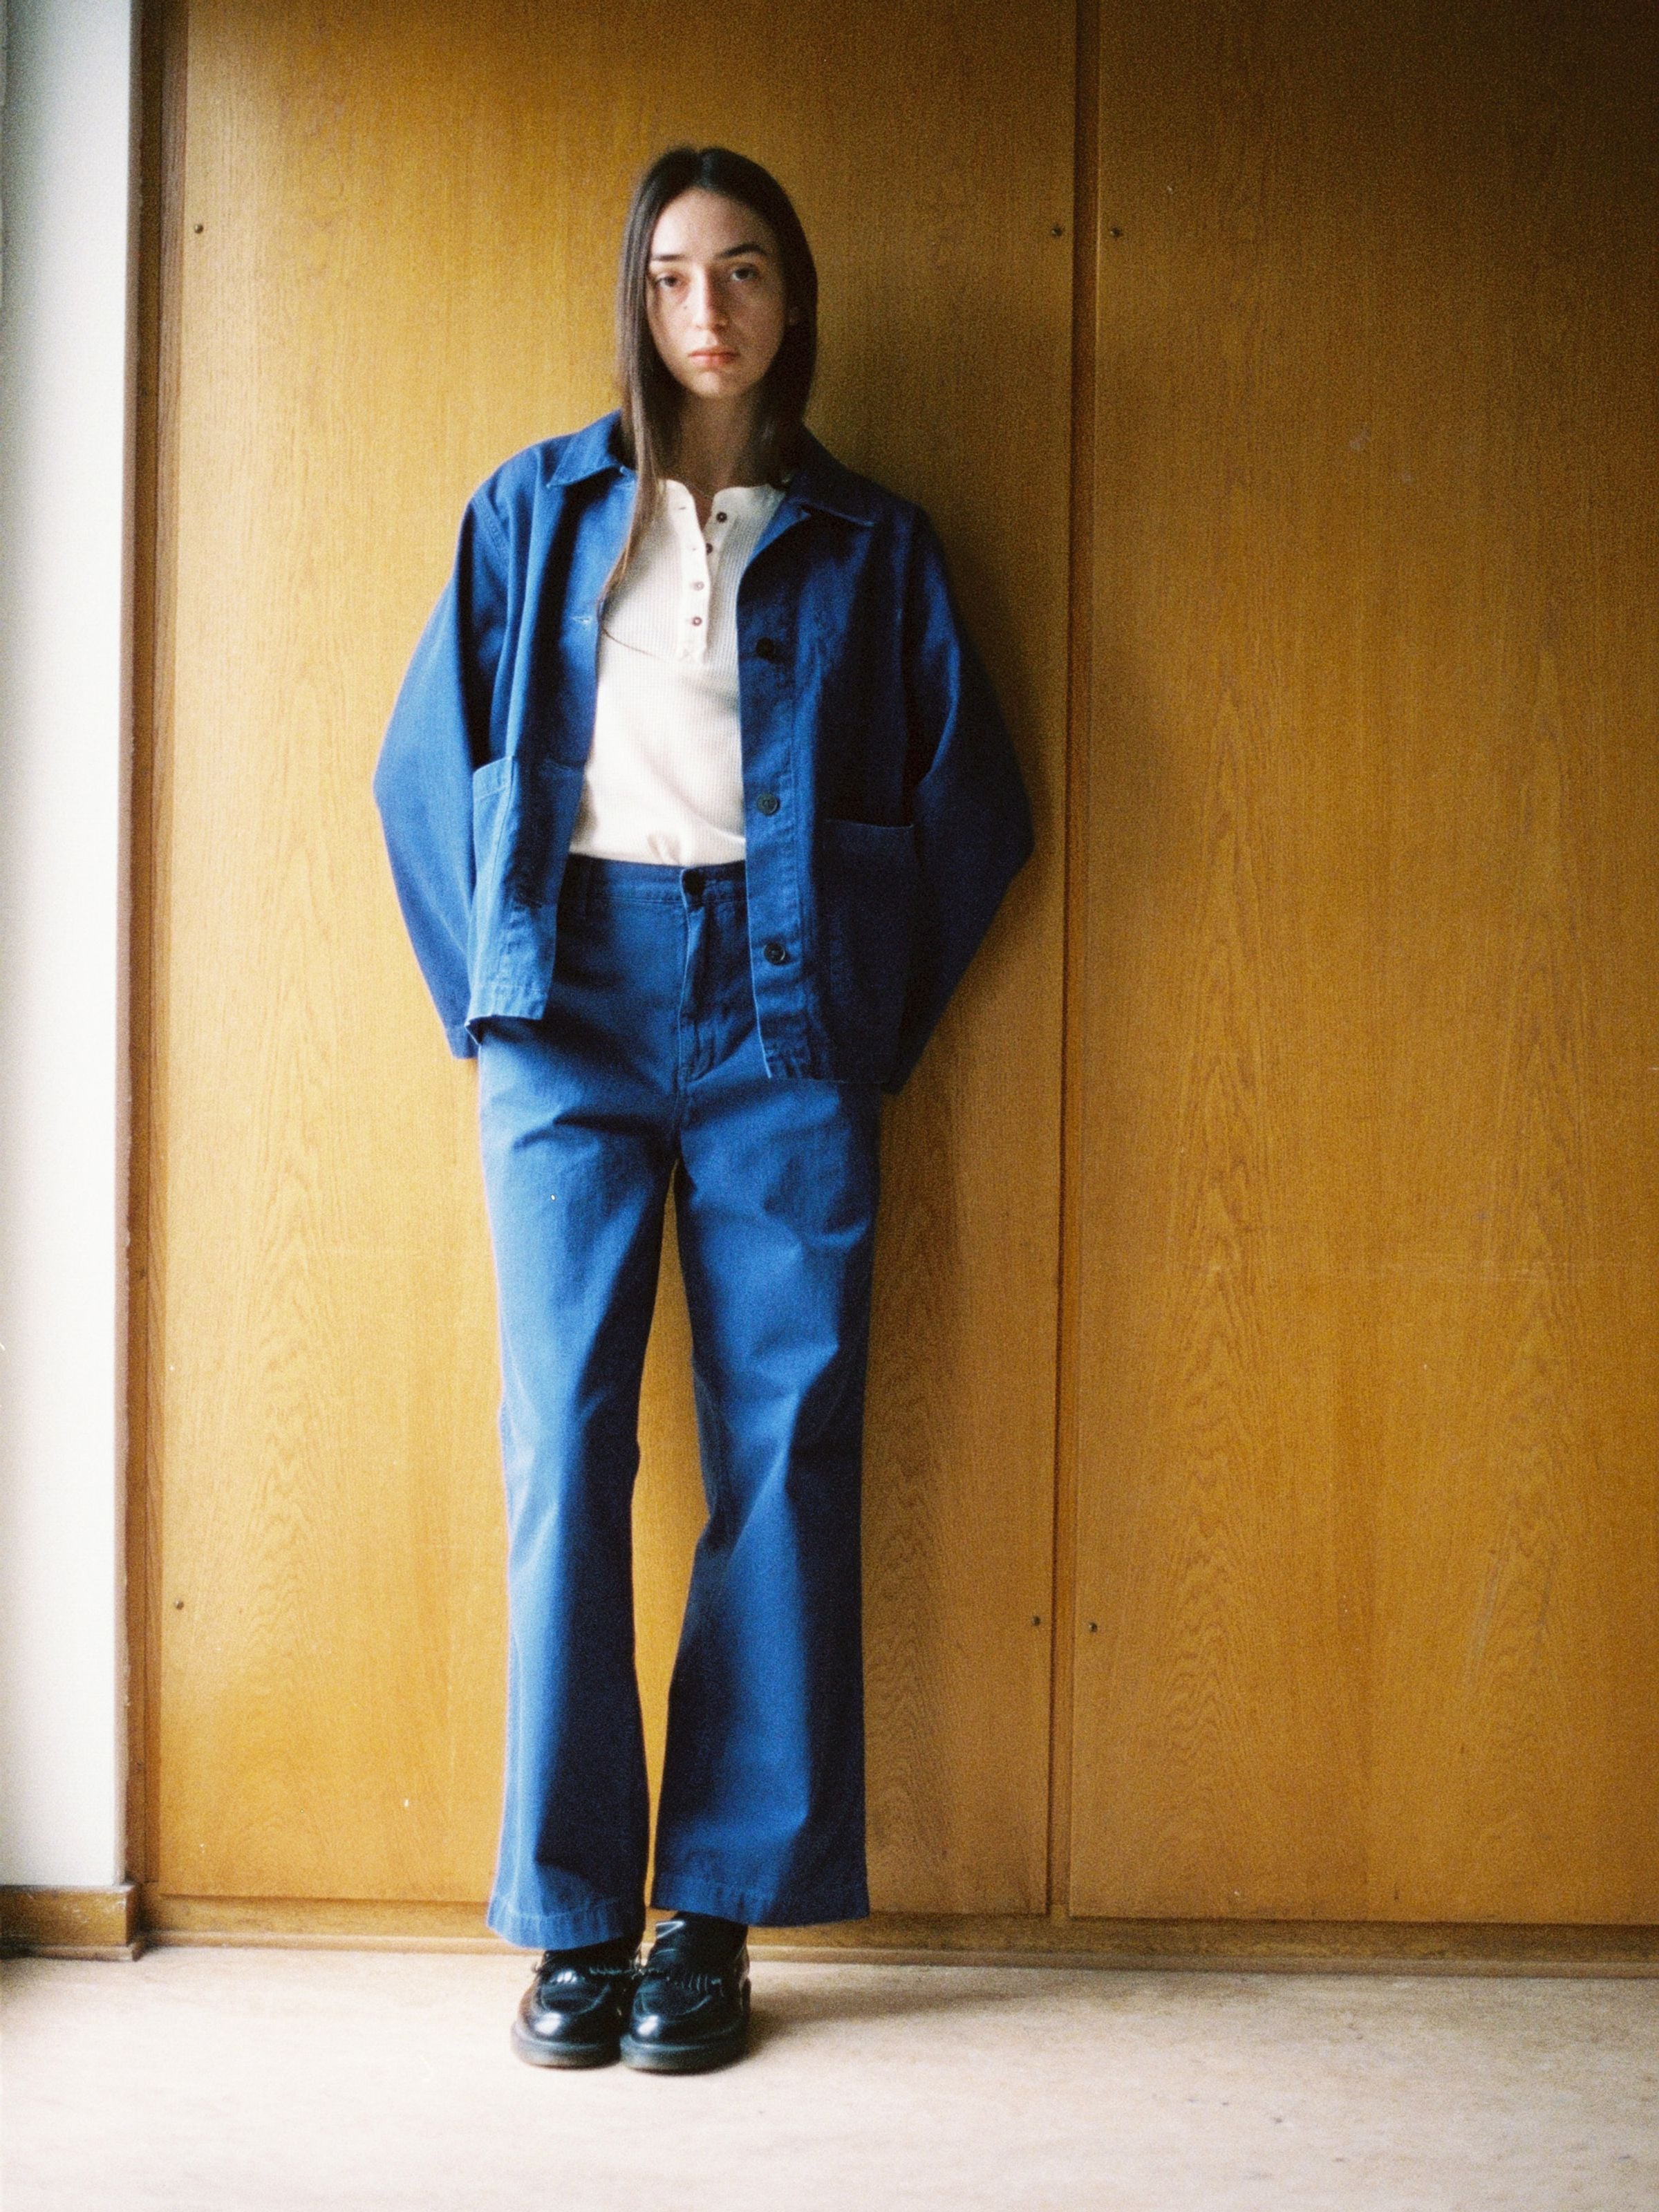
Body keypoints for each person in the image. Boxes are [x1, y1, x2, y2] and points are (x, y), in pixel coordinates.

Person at [373, 144, 1033, 2073]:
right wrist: (491, 1012)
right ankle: (573, 1922)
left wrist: (853, 1010)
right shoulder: (537, 512)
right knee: (565, 1447)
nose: (710, 310)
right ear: (637, 301)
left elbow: (975, 807)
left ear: (792, 300)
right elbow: (428, 772)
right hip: (567, 1007)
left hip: (785, 1015)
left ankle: (713, 1917)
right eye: (674, 275)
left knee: (787, 1442)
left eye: (744, 272)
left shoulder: (874, 544)